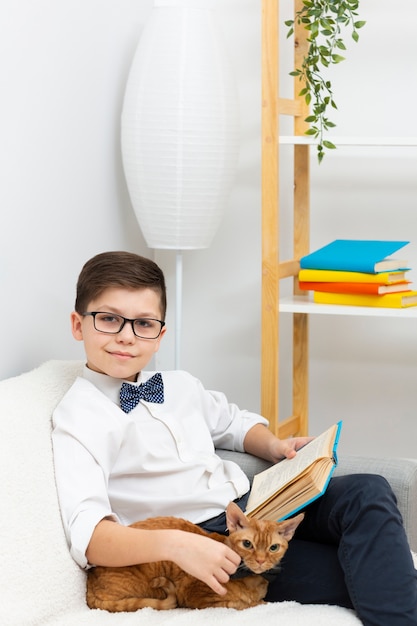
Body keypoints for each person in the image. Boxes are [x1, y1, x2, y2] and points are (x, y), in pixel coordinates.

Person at [52, 250, 417, 625]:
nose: (126, 337)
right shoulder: (79, 418)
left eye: (143, 324)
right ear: (78, 325)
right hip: (206, 541)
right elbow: (91, 537)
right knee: (371, 574)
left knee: (369, 490)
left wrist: (275, 446)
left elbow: (236, 424)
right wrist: (180, 546)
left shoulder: (179, 385)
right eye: (109, 319)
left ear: (160, 334)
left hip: (253, 504)